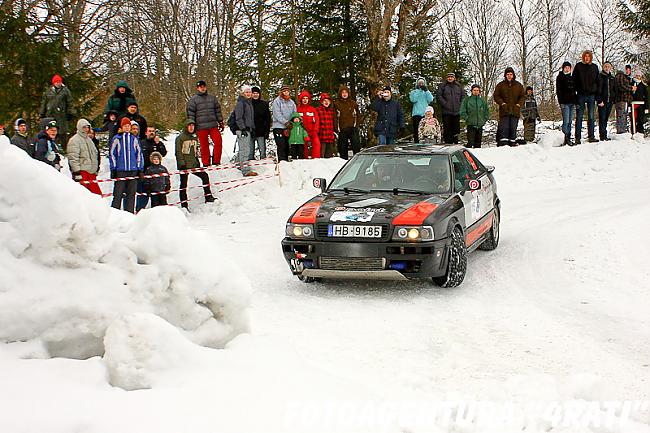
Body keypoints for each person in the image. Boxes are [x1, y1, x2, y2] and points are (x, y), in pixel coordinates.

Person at [175, 119, 215, 210]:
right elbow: (178, 152)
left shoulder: (194, 137)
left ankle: (208, 196)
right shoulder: (180, 138)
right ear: (186, 127)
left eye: (193, 126)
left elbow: (195, 152)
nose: (191, 127)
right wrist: (181, 163)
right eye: (189, 126)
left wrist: (197, 162)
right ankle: (184, 205)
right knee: (183, 185)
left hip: (193, 164)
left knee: (204, 176)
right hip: (184, 165)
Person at [186, 80, 224, 166]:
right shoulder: (193, 100)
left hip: (213, 125)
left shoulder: (212, 98)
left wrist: (220, 121)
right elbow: (190, 114)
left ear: (206, 87)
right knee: (204, 146)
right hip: (201, 126)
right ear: (197, 88)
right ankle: (206, 163)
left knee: (218, 142)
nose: (202, 88)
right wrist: (192, 125)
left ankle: (216, 161)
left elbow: (217, 110)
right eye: (200, 87)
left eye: (204, 86)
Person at [109, 117, 143, 213]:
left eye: (128, 126)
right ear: (122, 127)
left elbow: (139, 154)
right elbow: (112, 154)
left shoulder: (134, 139)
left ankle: (129, 213)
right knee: (118, 194)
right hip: (121, 170)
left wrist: (140, 169)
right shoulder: (117, 139)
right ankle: (115, 213)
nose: (127, 128)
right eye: (125, 126)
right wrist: (113, 169)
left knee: (131, 194)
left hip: (132, 170)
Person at [136, 126, 167, 211]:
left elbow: (163, 153)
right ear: (146, 133)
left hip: (156, 173)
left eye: (153, 131)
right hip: (145, 172)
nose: (151, 133)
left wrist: (159, 144)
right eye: (150, 131)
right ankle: (139, 211)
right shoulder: (141, 143)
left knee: (157, 197)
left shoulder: (157, 143)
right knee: (143, 194)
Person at [67, 118, 101, 195]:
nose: (86, 129)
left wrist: (96, 168)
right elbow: (73, 158)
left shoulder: (89, 140)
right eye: (84, 127)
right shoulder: (74, 140)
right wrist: (76, 173)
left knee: (97, 196)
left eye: (87, 127)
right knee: (84, 195)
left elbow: (95, 154)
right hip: (82, 172)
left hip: (91, 173)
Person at [572, 50, 600, 143]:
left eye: (588, 56)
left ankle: (591, 136)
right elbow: (574, 81)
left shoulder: (594, 67)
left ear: (590, 57)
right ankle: (577, 138)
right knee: (579, 116)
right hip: (580, 95)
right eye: (585, 56)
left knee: (591, 116)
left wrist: (597, 95)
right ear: (583, 57)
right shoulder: (578, 66)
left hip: (591, 95)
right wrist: (575, 95)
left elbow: (598, 81)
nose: (587, 58)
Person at [494, 67, 526, 146]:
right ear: (505, 75)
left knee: (513, 128)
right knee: (504, 128)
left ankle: (512, 143)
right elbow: (496, 96)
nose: (509, 76)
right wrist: (502, 103)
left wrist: (518, 104)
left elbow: (522, 96)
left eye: (511, 74)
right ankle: (503, 144)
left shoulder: (518, 85)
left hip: (515, 110)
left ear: (513, 75)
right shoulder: (500, 85)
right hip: (504, 110)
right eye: (507, 74)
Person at [39, 74, 74, 146]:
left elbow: (70, 102)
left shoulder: (65, 91)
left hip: (62, 116)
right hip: (50, 115)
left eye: (59, 82)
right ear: (54, 83)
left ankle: (63, 148)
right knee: (51, 131)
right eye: (57, 82)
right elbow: (44, 103)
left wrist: (70, 112)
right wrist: (42, 113)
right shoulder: (48, 91)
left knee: (62, 133)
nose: (58, 84)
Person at [234, 85, 257, 176]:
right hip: (242, 129)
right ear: (243, 93)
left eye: (249, 92)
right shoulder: (241, 103)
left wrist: (252, 128)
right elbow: (238, 117)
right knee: (245, 149)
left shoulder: (249, 103)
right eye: (246, 92)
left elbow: (249, 118)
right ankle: (245, 170)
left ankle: (239, 163)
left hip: (248, 128)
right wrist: (242, 128)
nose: (248, 94)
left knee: (244, 148)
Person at [333, 85, 361, 159]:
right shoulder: (336, 104)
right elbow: (335, 117)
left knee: (356, 145)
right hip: (342, 128)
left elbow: (358, 115)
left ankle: (357, 159)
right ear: (340, 94)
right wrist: (336, 128)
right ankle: (343, 161)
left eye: (346, 92)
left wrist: (356, 125)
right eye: (343, 93)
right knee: (342, 147)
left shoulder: (353, 103)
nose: (344, 94)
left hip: (353, 127)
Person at [437, 72, 465, 144]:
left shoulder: (458, 86)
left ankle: (455, 143)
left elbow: (463, 96)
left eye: (451, 77)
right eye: (449, 77)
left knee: (456, 129)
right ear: (447, 78)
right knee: (447, 129)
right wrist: (445, 104)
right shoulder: (443, 86)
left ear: (454, 78)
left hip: (456, 111)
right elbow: (439, 96)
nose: (450, 78)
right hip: (446, 112)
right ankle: (447, 143)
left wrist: (460, 105)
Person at [459, 84, 489, 148]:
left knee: (478, 143)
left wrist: (485, 119)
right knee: (470, 142)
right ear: (472, 91)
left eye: (477, 90)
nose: (476, 91)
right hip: (471, 124)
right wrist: (467, 118)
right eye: (474, 90)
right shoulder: (467, 100)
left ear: (479, 91)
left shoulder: (482, 101)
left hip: (480, 124)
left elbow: (486, 111)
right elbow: (462, 111)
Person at [271, 85, 296, 161]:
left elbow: (294, 113)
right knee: (281, 145)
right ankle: (281, 161)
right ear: (281, 92)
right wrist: (285, 122)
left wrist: (292, 121)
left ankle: (286, 160)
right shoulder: (277, 101)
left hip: (288, 127)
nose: (286, 93)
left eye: (287, 91)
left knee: (287, 145)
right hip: (278, 126)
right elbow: (277, 114)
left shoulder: (291, 102)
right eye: (284, 91)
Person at [556, 61, 577, 146]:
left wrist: (576, 102)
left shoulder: (572, 78)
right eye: (566, 67)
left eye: (569, 67)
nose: (567, 69)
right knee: (566, 121)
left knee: (570, 120)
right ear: (563, 68)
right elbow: (558, 91)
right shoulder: (560, 77)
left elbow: (574, 91)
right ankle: (565, 138)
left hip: (572, 102)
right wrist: (561, 102)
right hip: (564, 103)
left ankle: (568, 136)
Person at [297, 90, 321, 158]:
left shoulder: (312, 109)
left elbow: (316, 120)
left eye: (306, 98)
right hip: (302, 132)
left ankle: (315, 159)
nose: (305, 100)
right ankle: (304, 159)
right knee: (303, 145)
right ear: (301, 99)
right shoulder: (298, 109)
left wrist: (315, 130)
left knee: (316, 143)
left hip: (312, 131)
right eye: (303, 98)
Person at [409, 77, 434, 142]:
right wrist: (417, 90)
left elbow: (431, 99)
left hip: (425, 114)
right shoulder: (413, 92)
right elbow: (413, 100)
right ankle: (417, 143)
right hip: (416, 114)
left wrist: (427, 91)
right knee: (417, 130)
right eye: (419, 83)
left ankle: (426, 143)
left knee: (426, 130)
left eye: (422, 83)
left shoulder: (426, 92)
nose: (421, 84)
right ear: (417, 84)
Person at [250, 86, 271, 160]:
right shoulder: (248, 104)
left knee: (262, 151)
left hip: (261, 131)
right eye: (254, 93)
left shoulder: (264, 104)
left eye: (257, 93)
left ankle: (264, 167)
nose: (255, 95)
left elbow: (268, 119)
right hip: (250, 130)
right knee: (250, 152)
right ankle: (251, 166)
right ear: (251, 94)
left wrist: (267, 131)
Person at [597, 61, 615, 141]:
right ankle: (602, 136)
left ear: (610, 68)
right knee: (602, 118)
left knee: (606, 119)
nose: (607, 68)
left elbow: (614, 90)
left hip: (609, 102)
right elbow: (597, 89)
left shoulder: (612, 78)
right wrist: (599, 100)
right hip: (602, 102)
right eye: (605, 66)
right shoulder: (600, 76)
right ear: (603, 67)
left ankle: (605, 135)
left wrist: (613, 99)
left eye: (608, 66)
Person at [614, 68, 636, 134]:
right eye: (626, 69)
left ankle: (622, 130)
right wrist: (631, 88)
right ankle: (621, 131)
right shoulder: (620, 76)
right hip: (621, 99)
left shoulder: (625, 77)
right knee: (621, 115)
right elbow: (621, 86)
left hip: (625, 100)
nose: (628, 71)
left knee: (624, 115)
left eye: (629, 70)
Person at [316, 93, 336, 157]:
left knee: (329, 155)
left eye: (328, 101)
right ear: (321, 102)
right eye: (324, 101)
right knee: (321, 154)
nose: (326, 102)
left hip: (330, 136)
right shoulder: (318, 110)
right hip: (322, 136)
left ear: (330, 102)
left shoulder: (331, 111)